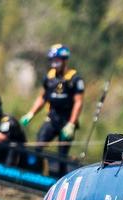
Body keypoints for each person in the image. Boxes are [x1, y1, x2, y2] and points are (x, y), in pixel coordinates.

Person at [20, 44, 84, 175]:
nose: (54, 63)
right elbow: (43, 97)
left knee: (62, 155)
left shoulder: (75, 79)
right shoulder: (49, 78)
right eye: (52, 60)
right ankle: (36, 173)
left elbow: (78, 103)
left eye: (57, 60)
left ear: (64, 60)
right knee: (39, 144)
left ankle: (59, 179)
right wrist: (31, 113)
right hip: (52, 118)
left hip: (67, 122)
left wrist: (71, 124)